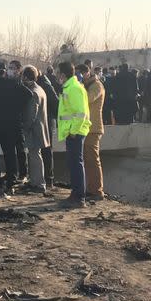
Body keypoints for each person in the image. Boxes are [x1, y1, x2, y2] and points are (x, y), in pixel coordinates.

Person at [0, 61, 31, 193]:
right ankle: (11, 181)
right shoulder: (12, 83)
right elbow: (28, 94)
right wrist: (17, 109)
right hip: (10, 125)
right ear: (4, 71)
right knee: (9, 154)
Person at [57, 61, 92, 208]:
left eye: (59, 74)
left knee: (76, 163)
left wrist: (73, 131)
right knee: (73, 163)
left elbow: (81, 113)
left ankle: (79, 197)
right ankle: (76, 194)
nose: (58, 76)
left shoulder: (74, 88)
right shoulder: (69, 87)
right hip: (72, 131)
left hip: (75, 132)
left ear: (63, 74)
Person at [20, 66, 50, 193]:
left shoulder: (33, 92)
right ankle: (35, 182)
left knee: (34, 156)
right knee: (35, 155)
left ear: (26, 77)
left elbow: (31, 113)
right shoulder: (40, 89)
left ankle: (38, 184)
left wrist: (25, 126)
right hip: (40, 127)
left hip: (34, 129)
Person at [79, 64, 106, 200]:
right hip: (86, 127)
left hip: (93, 128)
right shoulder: (86, 85)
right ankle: (91, 188)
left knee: (93, 160)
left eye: (80, 74)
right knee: (87, 160)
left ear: (86, 73)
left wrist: (79, 87)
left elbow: (87, 99)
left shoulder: (96, 85)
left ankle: (97, 191)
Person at [37, 69, 60, 188]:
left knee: (46, 149)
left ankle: (49, 178)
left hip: (47, 120)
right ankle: (44, 177)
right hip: (43, 120)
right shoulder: (42, 84)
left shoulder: (45, 85)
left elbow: (55, 103)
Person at [8, 60, 29, 182]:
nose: (10, 70)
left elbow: (28, 94)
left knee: (20, 149)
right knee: (9, 148)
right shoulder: (8, 81)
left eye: (13, 68)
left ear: (19, 69)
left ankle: (23, 173)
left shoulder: (21, 83)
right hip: (9, 120)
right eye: (9, 68)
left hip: (18, 120)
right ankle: (12, 173)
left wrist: (20, 107)